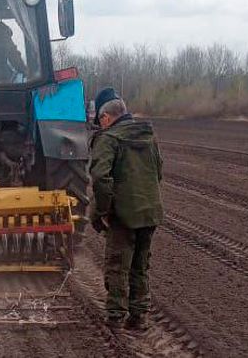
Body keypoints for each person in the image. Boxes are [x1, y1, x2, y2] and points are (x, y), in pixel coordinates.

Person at [88, 87, 164, 332]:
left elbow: (100, 178)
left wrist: (102, 212)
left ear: (106, 118)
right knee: (140, 265)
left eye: (101, 121)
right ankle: (138, 316)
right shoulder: (148, 136)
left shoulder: (109, 139)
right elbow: (158, 171)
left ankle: (115, 317)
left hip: (123, 215)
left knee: (117, 264)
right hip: (149, 212)